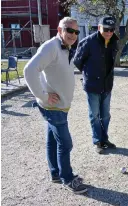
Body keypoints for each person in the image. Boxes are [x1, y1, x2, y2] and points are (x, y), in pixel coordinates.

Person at [23, 17, 87, 194]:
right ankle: (67, 178)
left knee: (52, 140)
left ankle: (55, 173)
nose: (73, 35)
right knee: (66, 144)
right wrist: (42, 95)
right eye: (69, 30)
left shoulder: (68, 46)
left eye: (76, 32)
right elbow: (29, 70)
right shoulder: (51, 47)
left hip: (60, 106)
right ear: (59, 30)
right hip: (53, 107)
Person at [73, 16, 119, 154]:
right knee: (94, 115)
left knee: (105, 115)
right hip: (92, 85)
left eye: (112, 29)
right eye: (106, 29)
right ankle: (97, 140)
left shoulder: (114, 41)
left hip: (107, 85)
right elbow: (77, 61)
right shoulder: (88, 42)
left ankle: (104, 139)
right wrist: (89, 74)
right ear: (99, 27)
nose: (109, 32)